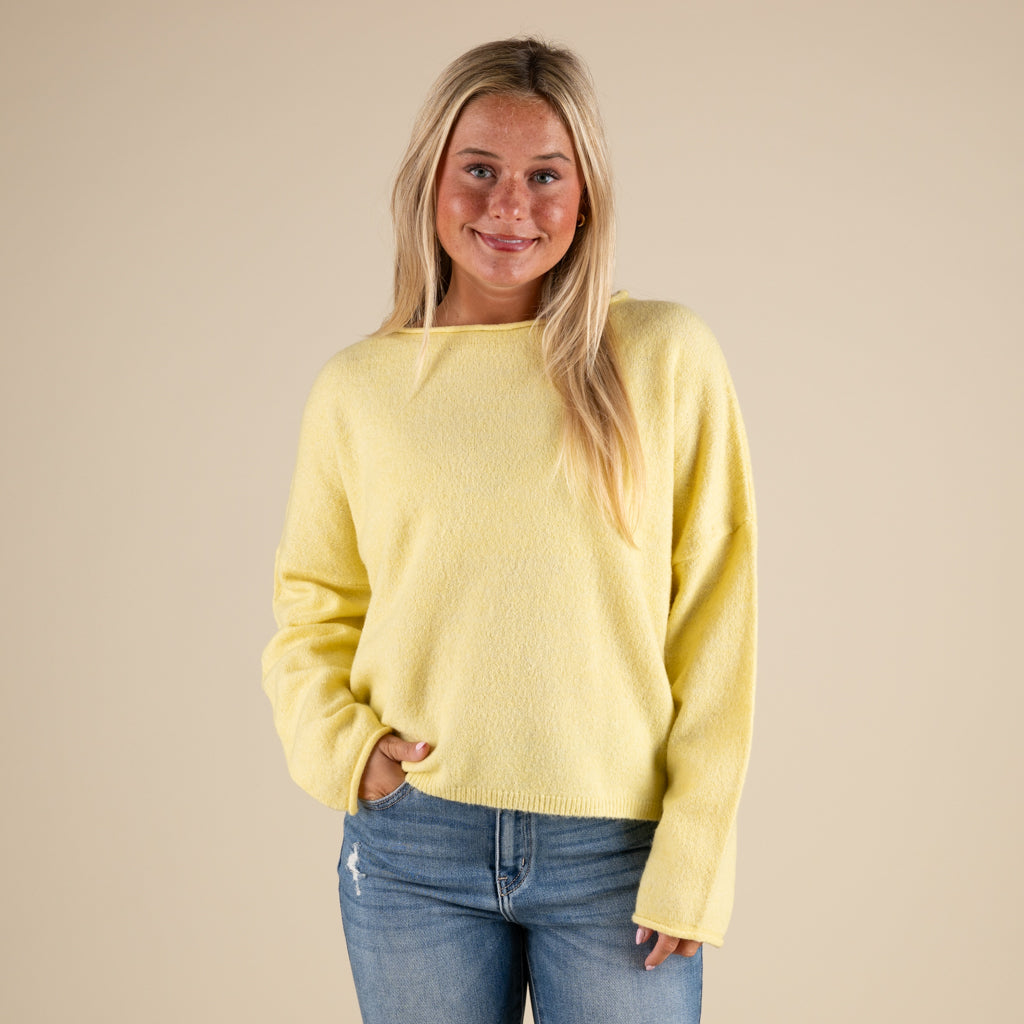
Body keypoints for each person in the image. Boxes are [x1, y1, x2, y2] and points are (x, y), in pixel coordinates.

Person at [262, 36, 756, 1024]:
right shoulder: (361, 390)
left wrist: (696, 848)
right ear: (430, 179)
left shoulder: (662, 358)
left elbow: (715, 618)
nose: (508, 208)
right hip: (415, 851)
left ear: (587, 196)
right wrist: (348, 750)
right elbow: (311, 606)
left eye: (545, 175)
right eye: (477, 170)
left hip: (619, 859)